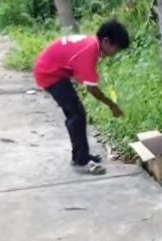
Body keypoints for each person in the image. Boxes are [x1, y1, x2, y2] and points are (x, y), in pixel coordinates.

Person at [33, 19, 129, 175]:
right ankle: (81, 162)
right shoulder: (90, 51)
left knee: (77, 114)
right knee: (76, 115)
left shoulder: (91, 44)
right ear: (106, 42)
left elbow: (77, 69)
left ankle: (79, 155)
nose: (114, 54)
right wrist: (112, 105)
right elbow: (92, 89)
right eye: (116, 49)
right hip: (49, 74)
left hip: (55, 71)